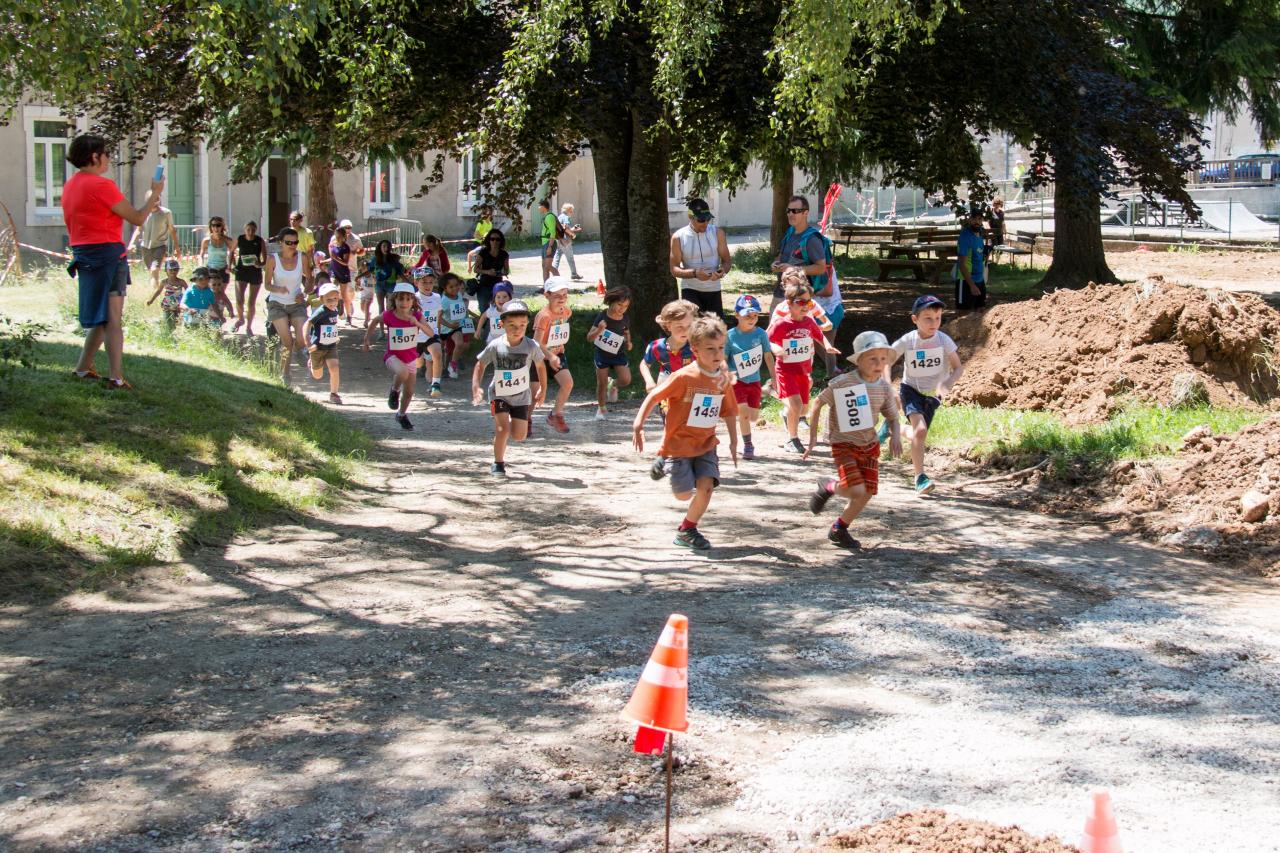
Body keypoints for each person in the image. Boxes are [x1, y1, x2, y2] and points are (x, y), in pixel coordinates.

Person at [63, 134, 163, 389]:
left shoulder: (71, 185)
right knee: (113, 318)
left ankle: (83, 368)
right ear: (94, 157)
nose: (109, 158)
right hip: (108, 255)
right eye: (106, 153)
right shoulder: (102, 186)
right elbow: (138, 218)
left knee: (101, 315)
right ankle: (116, 377)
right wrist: (155, 193)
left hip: (84, 255)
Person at [632, 315, 739, 551]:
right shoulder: (683, 377)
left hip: (706, 443)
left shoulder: (722, 380)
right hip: (679, 444)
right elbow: (654, 396)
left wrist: (734, 441)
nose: (717, 354)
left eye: (721, 348)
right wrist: (638, 423)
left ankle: (688, 529)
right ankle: (665, 460)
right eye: (710, 349)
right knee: (682, 495)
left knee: (706, 486)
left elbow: (730, 411)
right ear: (695, 350)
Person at [805, 331, 903, 549]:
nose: (878, 364)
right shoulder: (843, 382)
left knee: (867, 493)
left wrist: (896, 435)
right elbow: (818, 403)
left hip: (869, 445)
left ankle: (839, 528)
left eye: (883, 359)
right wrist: (812, 437)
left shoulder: (884, 387)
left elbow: (893, 417)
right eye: (872, 358)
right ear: (859, 360)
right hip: (843, 444)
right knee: (856, 490)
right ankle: (828, 486)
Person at [887, 294, 964, 494]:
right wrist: (888, 387)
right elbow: (887, 359)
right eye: (928, 318)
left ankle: (893, 428)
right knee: (920, 431)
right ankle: (919, 477)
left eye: (938, 318)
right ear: (915, 319)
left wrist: (947, 383)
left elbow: (958, 368)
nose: (934, 323)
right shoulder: (908, 340)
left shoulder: (944, 340)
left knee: (917, 435)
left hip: (933, 395)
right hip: (910, 389)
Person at [471, 299, 549, 476]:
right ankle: (498, 463)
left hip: (521, 397)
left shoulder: (531, 346)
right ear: (502, 324)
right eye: (512, 325)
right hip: (499, 395)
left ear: (527, 324)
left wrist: (542, 389)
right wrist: (476, 387)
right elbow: (480, 365)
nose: (517, 329)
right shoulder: (495, 345)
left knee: (519, 436)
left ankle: (513, 419)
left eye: (522, 324)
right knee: (502, 429)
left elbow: (541, 366)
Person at [768, 280, 840, 453]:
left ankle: (780, 402)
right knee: (796, 405)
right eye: (801, 302)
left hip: (803, 370)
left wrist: (827, 346)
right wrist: (776, 348)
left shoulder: (809, 322)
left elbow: (819, 335)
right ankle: (792, 440)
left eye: (808, 302)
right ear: (789, 304)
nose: (806, 306)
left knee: (801, 410)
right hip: (785, 370)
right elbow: (767, 339)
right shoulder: (781, 324)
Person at [364, 282, 436, 430]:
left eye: (408, 299)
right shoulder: (389, 315)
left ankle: (401, 415)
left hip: (410, 358)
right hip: (392, 357)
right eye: (400, 299)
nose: (404, 303)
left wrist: (418, 323)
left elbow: (430, 333)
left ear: (413, 301)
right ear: (394, 300)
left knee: (409, 392)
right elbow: (375, 321)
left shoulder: (417, 315)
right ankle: (394, 391)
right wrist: (366, 340)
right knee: (402, 372)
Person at [640, 299, 698, 480]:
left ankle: (690, 458)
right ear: (667, 325)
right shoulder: (657, 347)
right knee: (671, 423)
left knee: (692, 426)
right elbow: (644, 363)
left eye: (689, 326)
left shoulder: (696, 346)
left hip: (691, 391)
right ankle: (664, 457)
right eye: (679, 326)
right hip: (666, 389)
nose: (684, 331)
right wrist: (649, 381)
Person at [725, 294, 775, 461]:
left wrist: (774, 378)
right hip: (736, 380)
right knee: (744, 412)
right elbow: (724, 359)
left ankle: (763, 390)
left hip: (754, 379)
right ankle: (748, 444)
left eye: (755, 315)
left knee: (753, 416)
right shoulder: (729, 336)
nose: (752, 319)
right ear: (737, 315)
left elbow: (768, 356)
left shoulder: (761, 334)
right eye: (747, 315)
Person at [262, 226, 314, 384]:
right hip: (277, 303)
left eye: (295, 242)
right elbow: (267, 285)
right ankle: (285, 374)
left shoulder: (302, 257)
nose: (292, 245)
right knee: (287, 342)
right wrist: (278, 288)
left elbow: (310, 279)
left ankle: (300, 352)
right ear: (280, 242)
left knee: (300, 338)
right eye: (288, 242)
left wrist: (304, 293)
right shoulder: (272, 259)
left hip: (297, 304)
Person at [670, 198, 732, 317]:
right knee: (694, 332)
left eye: (708, 218)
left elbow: (727, 261)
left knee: (714, 332)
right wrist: (694, 273)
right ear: (690, 217)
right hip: (690, 289)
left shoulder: (718, 233)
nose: (705, 223)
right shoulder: (678, 237)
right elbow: (674, 269)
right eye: (701, 220)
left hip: (713, 289)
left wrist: (722, 271)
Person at [769, 195, 828, 316]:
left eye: (795, 211)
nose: (791, 214)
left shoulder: (812, 238)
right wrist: (776, 263)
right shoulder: (790, 232)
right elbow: (782, 255)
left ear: (805, 213)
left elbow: (821, 268)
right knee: (774, 332)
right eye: (789, 211)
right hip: (780, 294)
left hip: (800, 301)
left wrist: (793, 269)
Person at [533, 277, 574, 434]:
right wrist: (549, 356)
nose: (562, 299)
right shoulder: (544, 316)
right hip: (540, 358)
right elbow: (536, 342)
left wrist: (555, 352)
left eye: (564, 295)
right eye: (557, 296)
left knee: (568, 383)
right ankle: (526, 420)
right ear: (547, 295)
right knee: (535, 393)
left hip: (557, 355)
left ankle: (556, 414)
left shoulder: (567, 311)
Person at [587, 285, 633, 420]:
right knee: (601, 383)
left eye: (625, 306)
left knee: (626, 379)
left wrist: (629, 342)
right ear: (611, 301)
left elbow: (626, 331)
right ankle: (601, 408)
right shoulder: (602, 317)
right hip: (602, 354)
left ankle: (613, 384)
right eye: (619, 304)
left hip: (618, 354)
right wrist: (599, 330)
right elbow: (589, 338)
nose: (622, 309)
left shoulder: (624, 318)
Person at [304, 282, 344, 405]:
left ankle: (334, 394)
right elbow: (307, 324)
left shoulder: (335, 310)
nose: (332, 302)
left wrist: (335, 336)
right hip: (318, 347)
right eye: (328, 299)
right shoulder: (321, 311)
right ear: (321, 299)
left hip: (331, 345)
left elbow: (331, 325)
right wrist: (308, 343)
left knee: (334, 367)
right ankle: (312, 361)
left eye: (335, 298)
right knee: (317, 375)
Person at [410, 266, 445, 396]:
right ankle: (423, 357)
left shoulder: (437, 297)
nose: (427, 285)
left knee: (437, 354)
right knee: (418, 364)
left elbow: (438, 316)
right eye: (424, 282)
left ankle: (436, 385)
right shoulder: (413, 299)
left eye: (430, 282)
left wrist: (439, 334)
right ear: (416, 282)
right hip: (416, 337)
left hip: (432, 334)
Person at [198, 216, 236, 325]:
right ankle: (209, 318)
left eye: (218, 225)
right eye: (213, 225)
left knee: (220, 294)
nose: (216, 228)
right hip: (211, 270)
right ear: (210, 227)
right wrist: (201, 267)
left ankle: (220, 317)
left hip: (223, 270)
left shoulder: (227, 240)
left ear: (222, 227)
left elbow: (232, 254)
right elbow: (201, 255)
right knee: (211, 294)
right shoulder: (206, 241)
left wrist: (232, 266)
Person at [438, 272, 477, 378]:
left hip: (457, 327)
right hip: (445, 329)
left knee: (460, 344)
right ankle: (440, 368)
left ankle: (453, 365)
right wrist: (449, 325)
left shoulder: (459, 295)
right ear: (444, 288)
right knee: (441, 350)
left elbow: (462, 309)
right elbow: (439, 318)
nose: (455, 288)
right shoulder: (444, 301)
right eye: (451, 287)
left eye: (456, 285)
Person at [137, 203, 178, 300]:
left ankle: (154, 293)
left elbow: (172, 229)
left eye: (157, 198)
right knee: (152, 271)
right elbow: (138, 229)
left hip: (160, 245)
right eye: (153, 199)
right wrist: (131, 243)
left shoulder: (166, 213)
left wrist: (177, 247)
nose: (156, 201)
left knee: (154, 269)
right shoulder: (143, 212)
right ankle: (156, 289)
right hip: (145, 246)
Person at [232, 221, 267, 335]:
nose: (250, 232)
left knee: (251, 302)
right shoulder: (240, 239)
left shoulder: (259, 240)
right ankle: (241, 319)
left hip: (255, 272)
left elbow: (265, 259)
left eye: (253, 230)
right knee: (239, 299)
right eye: (248, 230)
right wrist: (231, 265)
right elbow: (231, 252)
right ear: (244, 230)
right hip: (241, 271)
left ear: (255, 230)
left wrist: (260, 264)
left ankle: (249, 327)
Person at [954, 207, 987, 311]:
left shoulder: (981, 232)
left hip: (980, 279)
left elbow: (979, 254)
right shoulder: (965, 236)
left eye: (979, 219)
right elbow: (962, 264)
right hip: (966, 281)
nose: (977, 221)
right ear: (970, 219)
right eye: (974, 219)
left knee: (981, 312)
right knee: (963, 315)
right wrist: (971, 285)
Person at [473, 229, 510, 313]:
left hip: (498, 285)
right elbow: (476, 269)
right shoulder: (483, 252)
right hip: (484, 284)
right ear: (488, 240)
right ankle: (484, 325)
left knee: (498, 309)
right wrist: (488, 271)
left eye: (498, 239)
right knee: (484, 309)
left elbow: (506, 270)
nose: (495, 241)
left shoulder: (504, 254)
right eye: (492, 239)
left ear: (501, 241)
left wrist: (500, 273)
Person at [329, 221, 359, 324]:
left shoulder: (345, 247)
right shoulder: (333, 245)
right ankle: (334, 312)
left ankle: (349, 315)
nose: (336, 238)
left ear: (342, 236)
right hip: (334, 271)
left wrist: (336, 258)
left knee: (345, 295)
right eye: (335, 236)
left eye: (338, 236)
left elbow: (345, 263)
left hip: (343, 272)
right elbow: (331, 256)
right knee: (332, 290)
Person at [371, 238, 409, 319]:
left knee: (390, 307)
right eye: (384, 246)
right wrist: (359, 277)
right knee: (380, 307)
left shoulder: (393, 260)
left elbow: (400, 272)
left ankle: (389, 328)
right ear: (380, 247)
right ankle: (381, 330)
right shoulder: (375, 259)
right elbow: (370, 270)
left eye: (388, 246)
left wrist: (408, 282)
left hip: (391, 284)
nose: (386, 248)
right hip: (379, 285)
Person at [146, 257, 187, 327]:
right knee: (168, 321)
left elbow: (188, 292)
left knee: (178, 322)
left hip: (178, 306)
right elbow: (158, 291)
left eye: (175, 269)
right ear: (166, 270)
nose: (173, 271)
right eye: (171, 270)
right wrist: (151, 300)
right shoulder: (164, 282)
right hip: (167, 306)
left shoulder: (181, 282)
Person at [553, 202, 584, 281]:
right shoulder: (566, 217)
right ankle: (574, 274)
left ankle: (554, 272)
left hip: (559, 239)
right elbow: (566, 228)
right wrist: (573, 234)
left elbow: (564, 228)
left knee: (557, 256)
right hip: (565, 240)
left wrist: (573, 228)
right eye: (571, 211)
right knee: (570, 257)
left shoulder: (559, 217)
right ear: (568, 210)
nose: (572, 213)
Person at [538, 199, 561, 281]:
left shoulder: (549, 217)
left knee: (548, 266)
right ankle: (546, 286)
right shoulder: (546, 217)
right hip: (545, 243)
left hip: (549, 243)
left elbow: (553, 233)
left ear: (544, 207)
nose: (538, 208)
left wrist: (550, 246)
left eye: (539, 206)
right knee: (544, 266)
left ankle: (560, 284)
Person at [986, 197, 1006, 262]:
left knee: (1000, 247)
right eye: (995, 204)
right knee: (992, 247)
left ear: (1000, 204)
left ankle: (997, 262)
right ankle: (988, 260)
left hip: (1000, 232)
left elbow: (1003, 223)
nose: (997, 205)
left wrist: (1004, 231)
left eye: (998, 204)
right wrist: (990, 231)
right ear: (993, 204)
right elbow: (988, 223)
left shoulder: (1001, 213)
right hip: (993, 232)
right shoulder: (990, 212)